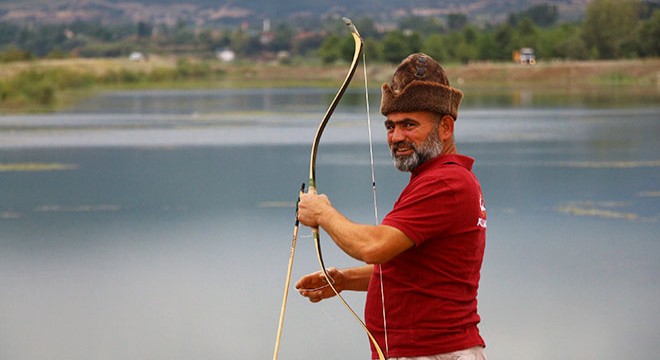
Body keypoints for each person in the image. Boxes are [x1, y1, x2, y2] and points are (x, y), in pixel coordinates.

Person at [295, 53, 487, 360]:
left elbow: (375, 247)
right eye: (390, 126)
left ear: (446, 127)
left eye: (409, 125)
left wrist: (322, 213)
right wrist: (344, 279)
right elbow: (410, 271)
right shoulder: (437, 178)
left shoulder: (445, 183)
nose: (396, 137)